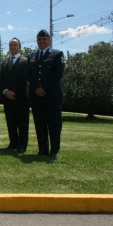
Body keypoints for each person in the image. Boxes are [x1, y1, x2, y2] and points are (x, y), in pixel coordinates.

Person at [25, 30, 65, 160]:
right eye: (39, 39)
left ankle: (54, 150)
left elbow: (57, 75)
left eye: (44, 39)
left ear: (49, 40)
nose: (41, 41)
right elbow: (28, 75)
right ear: (36, 41)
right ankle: (43, 149)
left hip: (52, 96)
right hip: (36, 97)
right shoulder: (31, 56)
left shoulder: (57, 54)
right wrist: (36, 88)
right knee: (40, 125)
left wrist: (44, 88)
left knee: (54, 125)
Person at [0, 38, 30, 153]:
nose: (13, 47)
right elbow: (0, 79)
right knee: (10, 122)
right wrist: (6, 91)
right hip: (7, 98)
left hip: (20, 97)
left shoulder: (25, 61)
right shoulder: (5, 62)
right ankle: (13, 143)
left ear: (20, 47)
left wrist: (14, 92)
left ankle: (22, 145)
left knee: (22, 123)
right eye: (11, 45)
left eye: (15, 45)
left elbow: (24, 80)